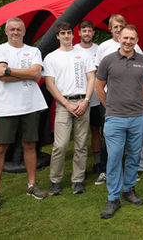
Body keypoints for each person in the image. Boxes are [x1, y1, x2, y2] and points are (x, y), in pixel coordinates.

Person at [0, 17, 48, 213]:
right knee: (0, 147)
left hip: (30, 106)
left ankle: (31, 185)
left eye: (18, 29)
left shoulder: (34, 51)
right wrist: (25, 72)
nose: (15, 32)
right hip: (6, 107)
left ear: (23, 31)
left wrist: (9, 71)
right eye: (12, 29)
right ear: (6, 31)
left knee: (30, 146)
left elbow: (36, 75)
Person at [96, 25, 143, 219]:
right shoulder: (108, 60)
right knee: (114, 157)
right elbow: (98, 86)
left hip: (137, 117)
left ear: (137, 40)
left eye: (132, 39)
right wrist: (109, 105)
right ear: (119, 38)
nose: (128, 42)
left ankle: (128, 190)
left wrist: (137, 99)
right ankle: (113, 198)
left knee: (134, 156)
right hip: (114, 118)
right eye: (125, 38)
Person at [43, 22, 95, 195]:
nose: (66, 36)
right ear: (57, 36)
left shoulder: (84, 55)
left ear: (73, 35)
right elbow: (50, 84)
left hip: (82, 103)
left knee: (81, 144)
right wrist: (66, 104)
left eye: (68, 33)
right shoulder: (51, 57)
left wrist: (86, 100)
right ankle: (55, 181)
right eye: (62, 33)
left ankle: (78, 180)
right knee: (60, 144)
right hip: (64, 104)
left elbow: (91, 78)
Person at [94, 14, 143, 184]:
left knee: (131, 139)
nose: (118, 29)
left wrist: (139, 99)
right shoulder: (104, 48)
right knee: (108, 138)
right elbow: (98, 78)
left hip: (132, 105)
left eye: (121, 25)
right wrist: (107, 103)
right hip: (109, 101)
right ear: (111, 29)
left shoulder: (137, 50)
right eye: (115, 26)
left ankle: (130, 172)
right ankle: (105, 170)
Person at [74, 20, 106, 185]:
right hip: (79, 99)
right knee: (80, 135)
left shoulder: (99, 49)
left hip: (97, 98)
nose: (87, 33)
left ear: (93, 33)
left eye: (90, 31)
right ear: (79, 33)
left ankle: (98, 163)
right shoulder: (73, 50)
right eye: (84, 31)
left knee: (96, 130)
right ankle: (80, 168)